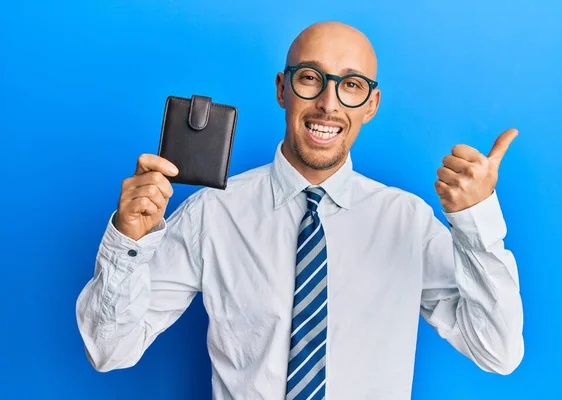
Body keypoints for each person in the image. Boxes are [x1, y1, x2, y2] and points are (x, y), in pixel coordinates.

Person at [76, 21, 524, 400]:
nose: (329, 104)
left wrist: (475, 221)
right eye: (311, 77)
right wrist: (128, 241)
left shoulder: (408, 221)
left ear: (371, 105)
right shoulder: (212, 213)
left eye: (351, 85)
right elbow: (108, 349)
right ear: (282, 89)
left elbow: (497, 352)